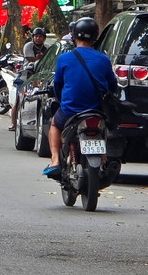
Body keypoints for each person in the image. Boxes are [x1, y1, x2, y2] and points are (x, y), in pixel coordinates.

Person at [43, 17, 118, 178]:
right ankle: (103, 156)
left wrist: (62, 99)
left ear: (74, 36)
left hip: (70, 110)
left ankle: (55, 160)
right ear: (95, 37)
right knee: (104, 126)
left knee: (54, 125)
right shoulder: (103, 60)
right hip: (96, 110)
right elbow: (113, 85)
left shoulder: (64, 58)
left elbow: (58, 85)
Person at [8, 27, 50, 131]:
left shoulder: (48, 48)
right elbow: (30, 59)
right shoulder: (28, 46)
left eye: (40, 37)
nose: (38, 39)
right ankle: (13, 123)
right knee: (19, 100)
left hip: (40, 77)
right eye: (36, 36)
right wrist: (39, 58)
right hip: (25, 77)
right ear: (33, 37)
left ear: (44, 38)